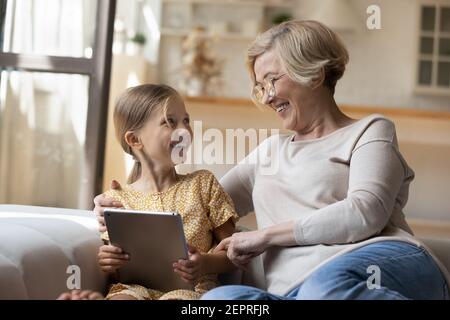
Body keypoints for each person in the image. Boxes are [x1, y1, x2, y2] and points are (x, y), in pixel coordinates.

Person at [94, 20, 450, 300]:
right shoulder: (268, 152)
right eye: (259, 87)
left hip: (379, 262)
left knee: (325, 288)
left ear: (314, 72)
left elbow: (364, 213)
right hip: (290, 292)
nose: (266, 97)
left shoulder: (371, 132)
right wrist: (120, 206)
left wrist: (265, 237)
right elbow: (192, 206)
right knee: (220, 301)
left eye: (271, 80)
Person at [58, 84, 238, 300]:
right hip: (134, 289)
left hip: (191, 291)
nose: (184, 130)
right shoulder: (116, 200)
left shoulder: (203, 183)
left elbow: (234, 251)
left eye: (186, 120)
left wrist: (205, 263)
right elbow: (118, 270)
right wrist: (110, 262)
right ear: (135, 140)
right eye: (169, 122)